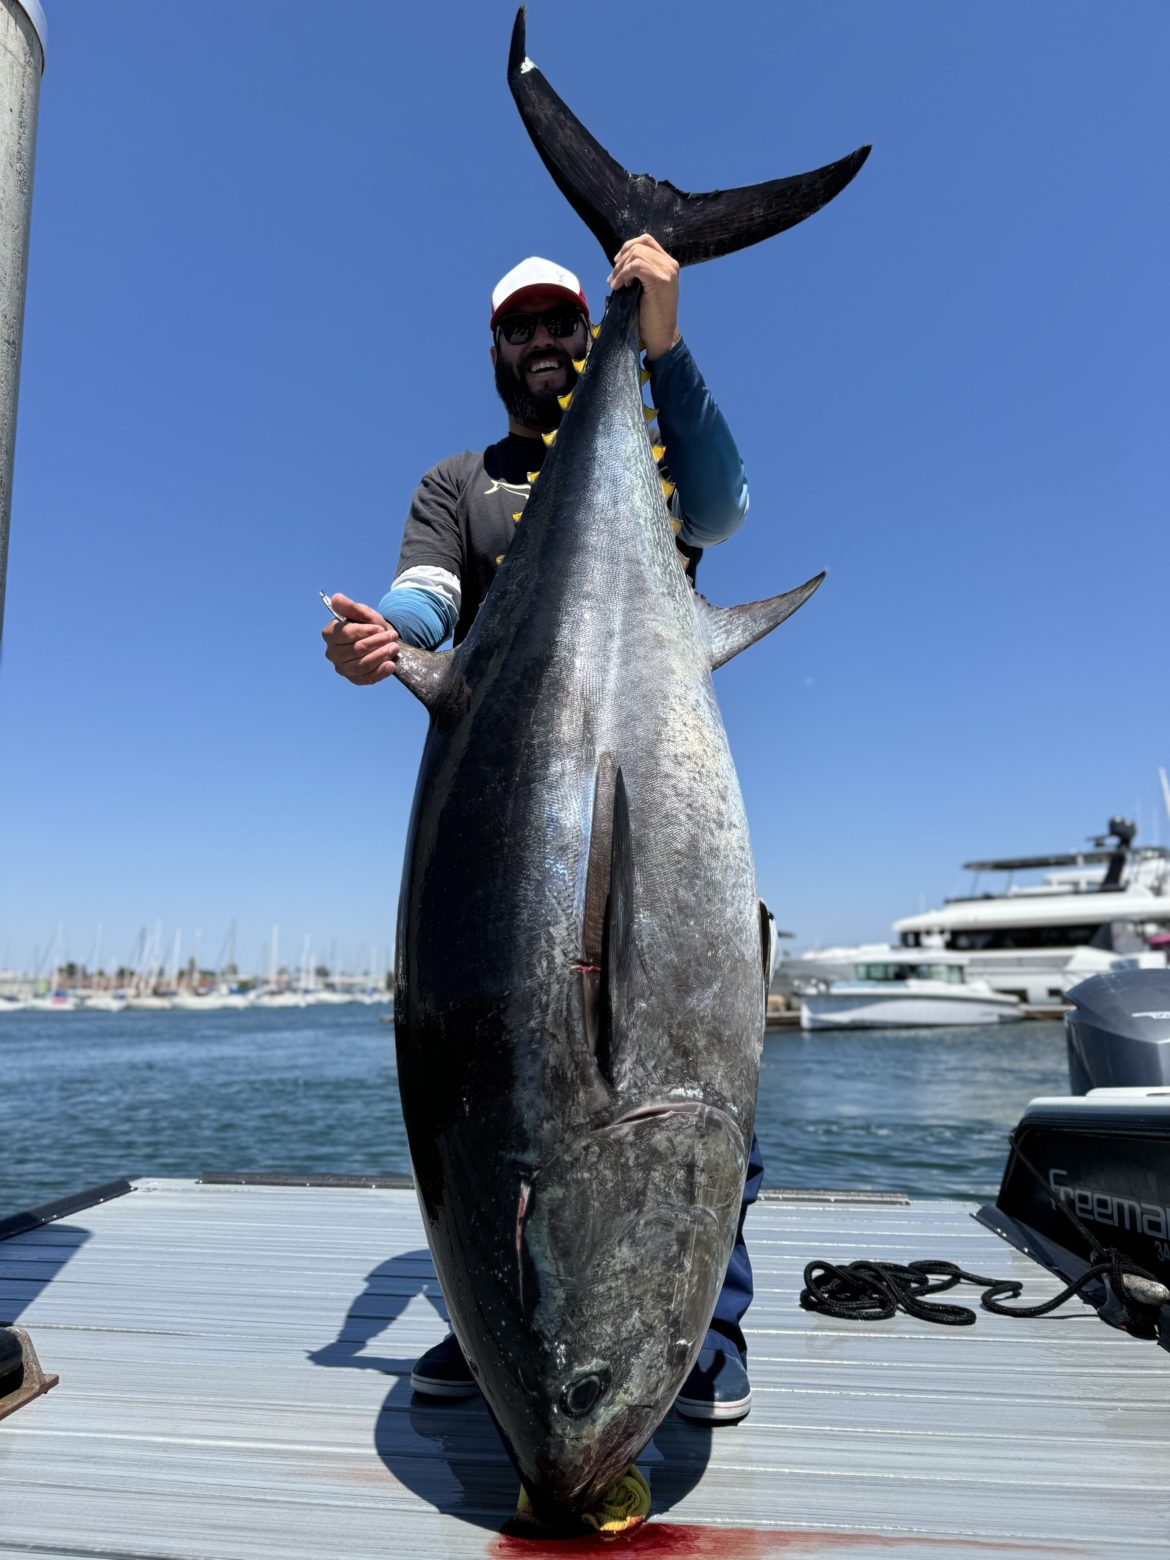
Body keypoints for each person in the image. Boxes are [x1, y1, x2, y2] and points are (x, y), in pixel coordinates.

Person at [323, 234, 761, 1422]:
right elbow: (428, 597)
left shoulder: (651, 449)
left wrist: (659, 336)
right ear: (496, 350)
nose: (545, 344)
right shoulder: (458, 487)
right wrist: (386, 643)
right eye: (521, 328)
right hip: (508, 828)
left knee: (695, 1049)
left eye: (565, 322)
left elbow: (720, 510)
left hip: (657, 810)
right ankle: (502, 1311)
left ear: (585, 331)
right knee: (488, 1084)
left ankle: (707, 1330)